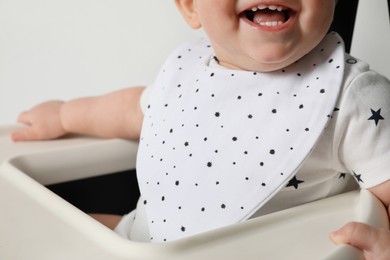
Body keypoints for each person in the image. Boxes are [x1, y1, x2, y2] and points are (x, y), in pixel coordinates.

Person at [11, 0, 390, 258]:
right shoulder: (187, 71)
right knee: (30, 229)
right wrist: (64, 116)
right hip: (138, 241)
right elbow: (134, 109)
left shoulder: (354, 96)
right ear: (191, 5)